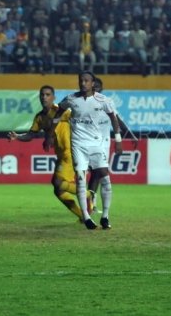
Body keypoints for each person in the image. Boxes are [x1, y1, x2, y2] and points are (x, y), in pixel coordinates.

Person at [44, 72, 122, 230]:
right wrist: (51, 133)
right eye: (81, 80)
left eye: (86, 81)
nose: (83, 83)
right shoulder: (71, 99)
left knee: (105, 177)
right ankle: (86, 217)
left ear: (92, 83)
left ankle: (105, 216)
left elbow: (114, 118)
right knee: (80, 178)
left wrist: (118, 140)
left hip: (97, 144)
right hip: (78, 144)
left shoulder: (103, 100)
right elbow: (58, 113)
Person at [7, 85, 88, 221]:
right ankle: (83, 216)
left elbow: (79, 120)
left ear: (53, 97)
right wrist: (17, 137)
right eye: (42, 95)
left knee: (57, 182)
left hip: (71, 152)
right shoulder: (40, 117)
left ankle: (87, 194)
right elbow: (31, 134)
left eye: (48, 94)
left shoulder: (62, 112)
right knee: (58, 190)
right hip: (61, 154)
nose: (44, 97)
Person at [87, 77, 138, 213]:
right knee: (97, 172)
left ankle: (90, 203)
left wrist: (129, 134)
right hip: (90, 142)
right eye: (95, 86)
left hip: (105, 143)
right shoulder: (85, 103)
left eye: (99, 86)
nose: (96, 88)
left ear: (102, 89)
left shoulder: (106, 102)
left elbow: (117, 119)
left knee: (96, 173)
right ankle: (90, 203)